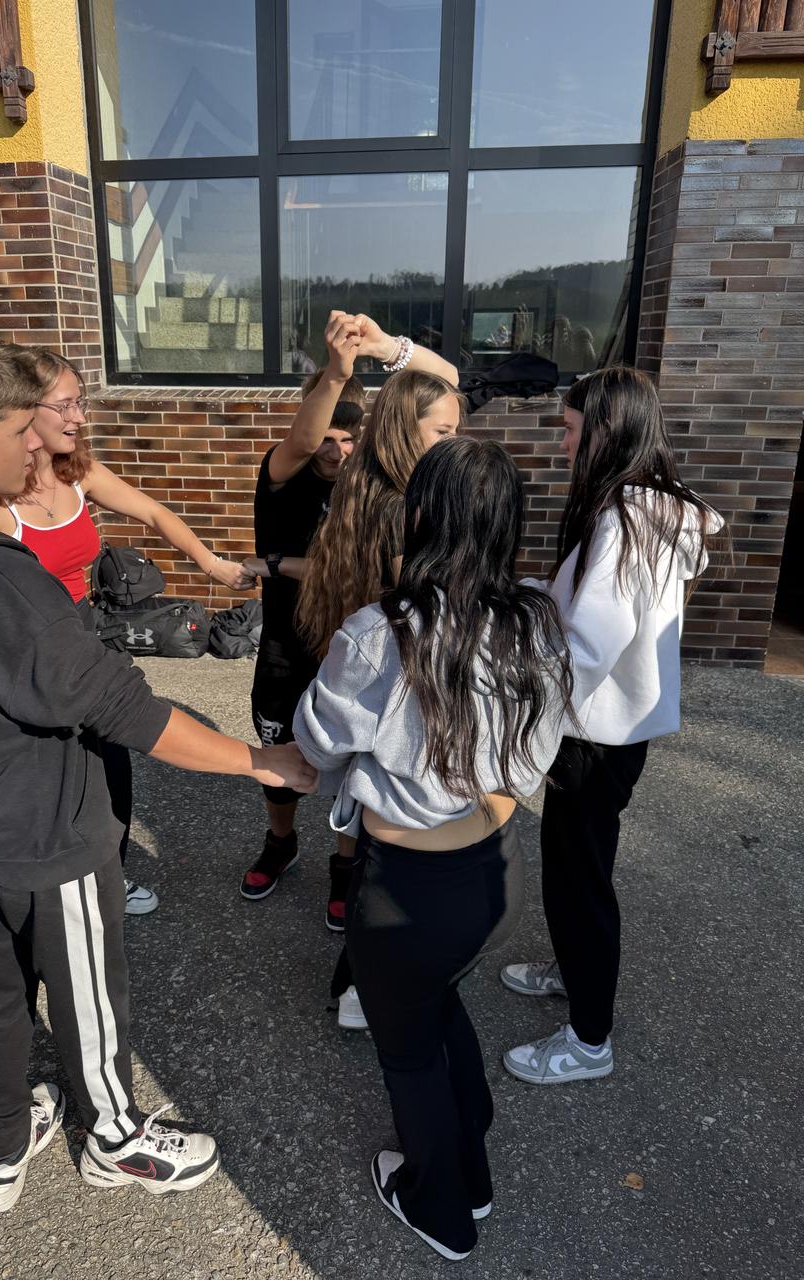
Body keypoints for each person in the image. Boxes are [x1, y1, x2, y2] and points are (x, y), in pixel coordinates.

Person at [0, 333, 315, 1213]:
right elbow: (127, 711)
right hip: (51, 826)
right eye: (21, 428)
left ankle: (2, 1147)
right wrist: (263, 760)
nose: (38, 442)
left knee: (0, 988)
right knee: (90, 990)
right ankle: (114, 1138)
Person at [293, 436, 573, 1261]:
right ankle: (469, 1162)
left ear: (418, 518)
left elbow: (316, 739)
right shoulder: (536, 622)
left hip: (404, 890)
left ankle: (441, 1208)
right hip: (496, 871)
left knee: (408, 1050)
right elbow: (539, 752)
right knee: (439, 1001)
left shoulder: (380, 633)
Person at [500, 365, 724, 1085]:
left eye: (570, 430)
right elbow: (591, 611)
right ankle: (572, 970)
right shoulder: (651, 510)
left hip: (593, 735)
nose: (563, 444)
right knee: (580, 868)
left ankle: (589, 1039)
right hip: (616, 731)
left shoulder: (624, 521)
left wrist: (525, 704)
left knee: (579, 880)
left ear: (607, 429)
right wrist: (534, 592)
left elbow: (591, 644)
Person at [0, 348, 256, 917]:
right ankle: (51, 890)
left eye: (80, 403)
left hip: (82, 631)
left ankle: (113, 874)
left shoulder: (77, 472)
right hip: (26, 649)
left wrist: (213, 565)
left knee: (111, 759)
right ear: (22, 409)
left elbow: (154, 513)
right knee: (49, 773)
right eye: (65, 405)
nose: (78, 417)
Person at [295, 325, 461, 1018]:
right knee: (388, 850)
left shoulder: (371, 485)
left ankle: (360, 971)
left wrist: (388, 345)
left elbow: (448, 378)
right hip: (394, 681)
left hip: (366, 676)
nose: (453, 441)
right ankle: (361, 983)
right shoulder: (402, 507)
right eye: (443, 431)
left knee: (372, 831)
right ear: (404, 431)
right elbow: (418, 611)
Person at [238, 311, 365, 928]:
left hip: (351, 648)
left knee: (352, 763)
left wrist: (275, 563)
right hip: (285, 646)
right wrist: (335, 375)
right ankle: (281, 842)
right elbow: (303, 442)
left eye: (350, 440)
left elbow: (361, 574)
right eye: (329, 438)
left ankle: (345, 865)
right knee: (278, 757)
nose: (337, 451)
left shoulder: (371, 490)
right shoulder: (283, 474)